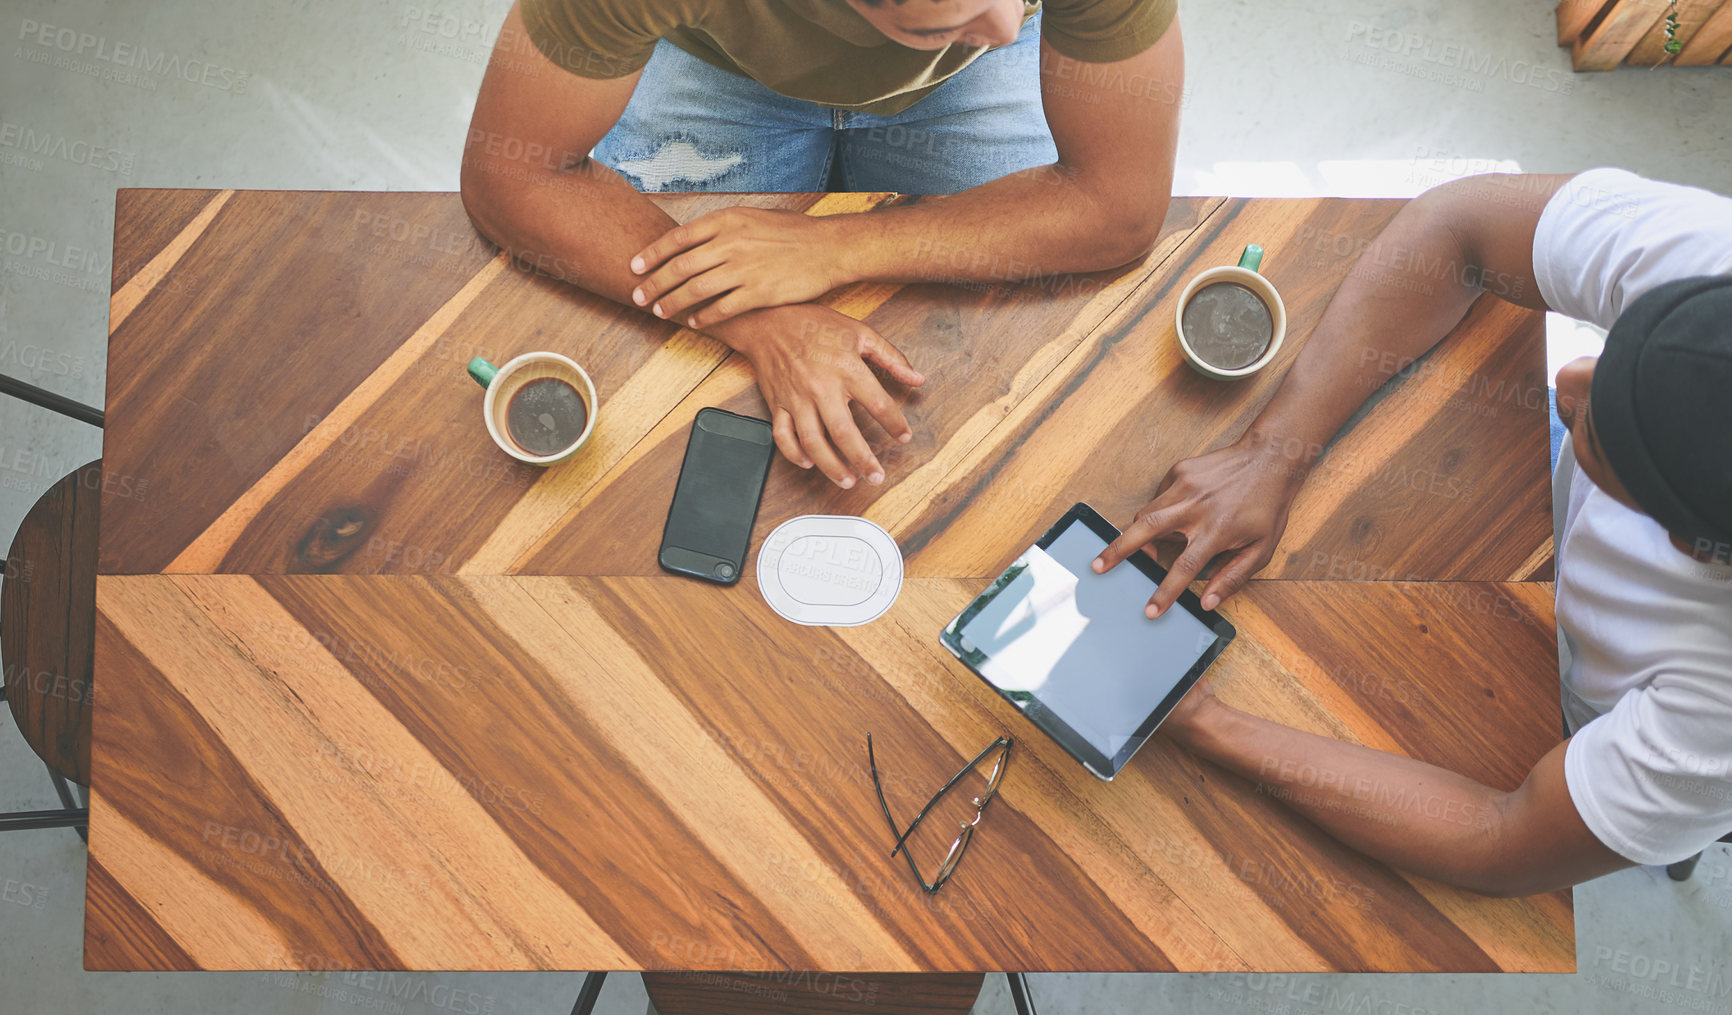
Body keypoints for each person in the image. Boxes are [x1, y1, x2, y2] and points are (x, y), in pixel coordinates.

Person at [1092, 168, 1732, 896]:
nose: (1569, 378)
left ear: (1686, 546)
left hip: (1584, 716)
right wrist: (1274, 452)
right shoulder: (1711, 257)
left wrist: (1202, 721)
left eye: (1598, 426)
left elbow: (1501, 838)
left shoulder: (1713, 725)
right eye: (1618, 343)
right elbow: (1456, 226)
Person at [461, 0, 1184, 489]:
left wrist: (838, 249)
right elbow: (512, 174)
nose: (1007, 22)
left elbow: (1114, 208)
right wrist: (761, 320)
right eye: (944, 16)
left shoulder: (994, 21)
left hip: (963, 85)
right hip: (716, 56)